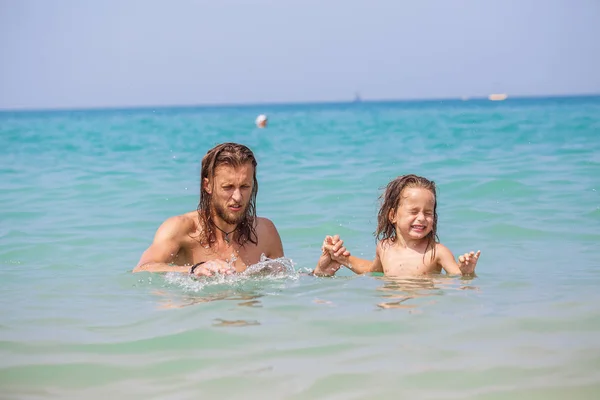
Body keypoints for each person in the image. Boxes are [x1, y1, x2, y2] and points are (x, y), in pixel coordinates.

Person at [134, 142, 341, 277]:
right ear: (207, 185)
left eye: (244, 186)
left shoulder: (264, 231)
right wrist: (195, 269)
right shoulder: (181, 229)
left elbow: (283, 282)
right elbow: (142, 270)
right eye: (227, 187)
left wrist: (319, 273)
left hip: (250, 327)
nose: (237, 197)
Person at [317, 174, 481, 277]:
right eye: (414, 211)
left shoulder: (437, 252)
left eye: (428, 213)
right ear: (393, 215)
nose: (422, 218)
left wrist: (467, 273)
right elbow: (372, 271)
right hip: (390, 309)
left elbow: (457, 280)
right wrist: (342, 258)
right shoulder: (384, 247)